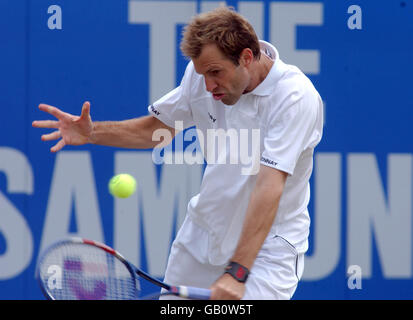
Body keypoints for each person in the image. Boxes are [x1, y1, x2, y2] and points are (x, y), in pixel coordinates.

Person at [33, 6, 323, 300]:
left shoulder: (294, 97)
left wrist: (238, 272)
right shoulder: (201, 78)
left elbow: (269, 186)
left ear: (246, 57)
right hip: (202, 237)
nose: (208, 85)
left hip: (267, 252)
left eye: (215, 73)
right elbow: (156, 128)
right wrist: (93, 133)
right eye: (202, 74)